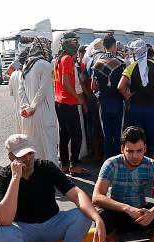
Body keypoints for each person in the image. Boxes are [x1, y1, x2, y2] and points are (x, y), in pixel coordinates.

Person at [0, 134, 105, 242]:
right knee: (1, 233)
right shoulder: (3, 178)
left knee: (84, 215)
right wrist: (15, 178)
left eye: (30, 153)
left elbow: (76, 193)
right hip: (23, 228)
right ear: (11, 157)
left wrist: (98, 219)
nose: (27, 158)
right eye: (21, 155)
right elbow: (4, 220)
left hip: (53, 221)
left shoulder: (46, 166)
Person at [118, 39, 154, 161]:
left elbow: (120, 87)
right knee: (153, 137)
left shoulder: (131, 67)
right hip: (152, 107)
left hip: (135, 108)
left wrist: (128, 98)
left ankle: (138, 164)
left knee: (137, 137)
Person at [18, 37, 59, 164]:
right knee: (49, 149)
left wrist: (25, 108)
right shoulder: (45, 65)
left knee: (34, 150)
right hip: (43, 114)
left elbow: (21, 90)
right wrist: (32, 108)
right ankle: (53, 181)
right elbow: (43, 90)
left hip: (29, 116)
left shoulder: (26, 65)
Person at [53, 32, 88, 175]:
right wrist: (78, 97)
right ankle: (74, 165)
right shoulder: (67, 59)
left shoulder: (58, 59)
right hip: (67, 102)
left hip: (59, 101)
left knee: (64, 134)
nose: (77, 45)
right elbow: (65, 82)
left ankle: (65, 164)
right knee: (76, 135)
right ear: (68, 43)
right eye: (74, 42)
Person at [92, 34, 126, 159]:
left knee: (106, 133)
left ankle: (107, 160)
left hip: (104, 102)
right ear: (114, 46)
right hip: (118, 101)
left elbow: (93, 86)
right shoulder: (121, 63)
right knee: (118, 133)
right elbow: (125, 85)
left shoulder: (98, 64)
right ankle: (118, 159)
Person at [9, 47, 29, 133]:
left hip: (18, 108)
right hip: (27, 109)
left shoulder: (14, 74)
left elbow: (8, 71)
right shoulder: (26, 74)